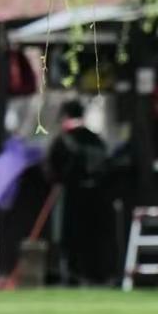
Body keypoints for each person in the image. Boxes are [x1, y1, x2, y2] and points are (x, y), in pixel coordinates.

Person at [45, 98, 112, 286]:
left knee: (71, 237)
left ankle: (73, 275)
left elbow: (52, 170)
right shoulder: (96, 140)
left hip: (72, 196)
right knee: (94, 236)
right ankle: (95, 275)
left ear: (65, 116)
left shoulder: (63, 140)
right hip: (97, 196)